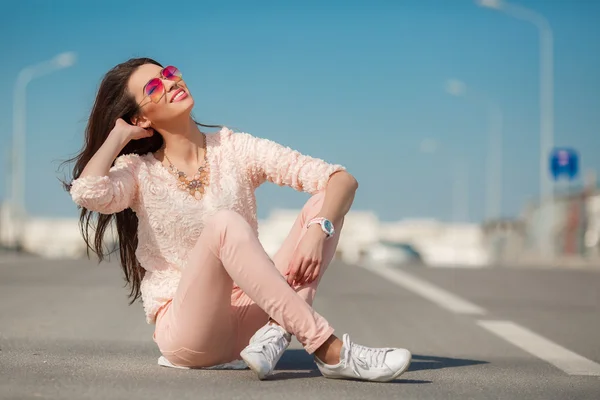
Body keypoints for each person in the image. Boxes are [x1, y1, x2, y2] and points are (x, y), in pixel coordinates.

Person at [66, 58, 411, 382]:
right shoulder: (140, 173)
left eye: (169, 73)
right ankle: (327, 348)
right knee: (225, 223)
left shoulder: (235, 149)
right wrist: (119, 136)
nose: (170, 84)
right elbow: (89, 193)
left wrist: (319, 230)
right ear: (141, 119)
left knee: (324, 204)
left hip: (250, 319)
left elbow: (342, 180)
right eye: (154, 88)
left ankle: (276, 332)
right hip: (191, 331)